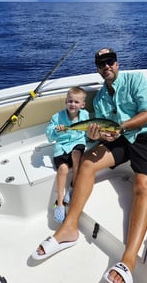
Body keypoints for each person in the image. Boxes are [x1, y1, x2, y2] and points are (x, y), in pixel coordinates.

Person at [32, 48, 147, 283]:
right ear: (97, 68)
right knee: (86, 162)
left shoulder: (136, 80)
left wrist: (120, 128)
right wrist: (100, 137)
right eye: (101, 64)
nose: (106, 66)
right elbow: (105, 131)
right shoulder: (100, 99)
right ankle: (69, 228)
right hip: (120, 138)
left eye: (110, 61)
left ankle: (128, 260)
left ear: (117, 64)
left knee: (143, 185)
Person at [46, 86, 89, 223]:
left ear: (82, 105)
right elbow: (49, 135)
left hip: (78, 143)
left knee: (76, 155)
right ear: (66, 102)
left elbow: (86, 131)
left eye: (76, 102)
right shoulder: (57, 117)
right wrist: (57, 131)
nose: (73, 104)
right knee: (63, 168)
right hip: (62, 147)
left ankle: (73, 186)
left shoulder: (85, 115)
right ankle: (60, 201)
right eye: (70, 101)